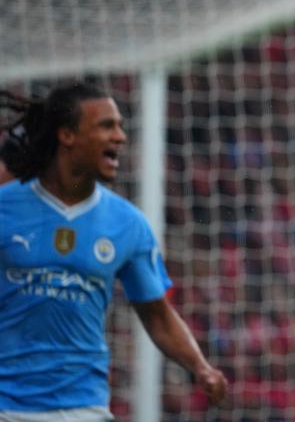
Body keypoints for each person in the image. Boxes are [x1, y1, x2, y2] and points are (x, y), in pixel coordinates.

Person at [0, 83, 227, 420]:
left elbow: (158, 316)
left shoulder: (128, 224)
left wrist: (200, 366)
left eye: (120, 126)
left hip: (85, 406)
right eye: (106, 125)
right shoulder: (6, 207)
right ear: (67, 135)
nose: (120, 137)